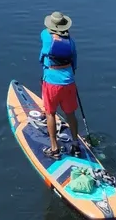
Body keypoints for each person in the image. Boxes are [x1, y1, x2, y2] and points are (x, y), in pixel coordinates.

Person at [40, 11, 80, 160]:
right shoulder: (71, 41)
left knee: (50, 113)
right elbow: (74, 59)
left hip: (51, 81)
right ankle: (75, 144)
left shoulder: (45, 35)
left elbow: (42, 55)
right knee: (70, 113)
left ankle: (54, 148)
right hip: (69, 81)